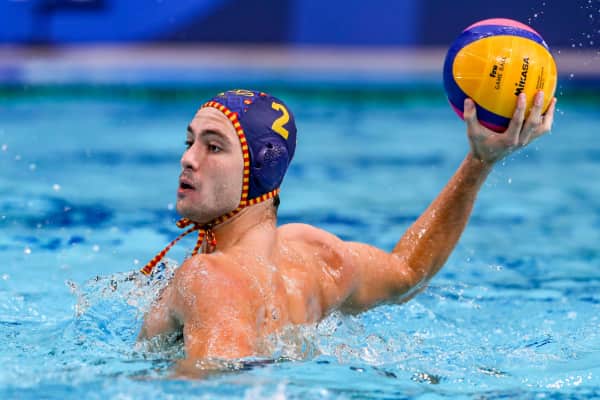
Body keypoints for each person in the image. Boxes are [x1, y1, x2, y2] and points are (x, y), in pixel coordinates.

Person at [138, 88, 556, 367]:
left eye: (213, 147)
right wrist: (480, 161)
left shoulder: (209, 277)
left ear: (258, 169)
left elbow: (219, 387)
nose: (188, 158)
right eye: (190, 142)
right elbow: (408, 273)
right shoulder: (315, 258)